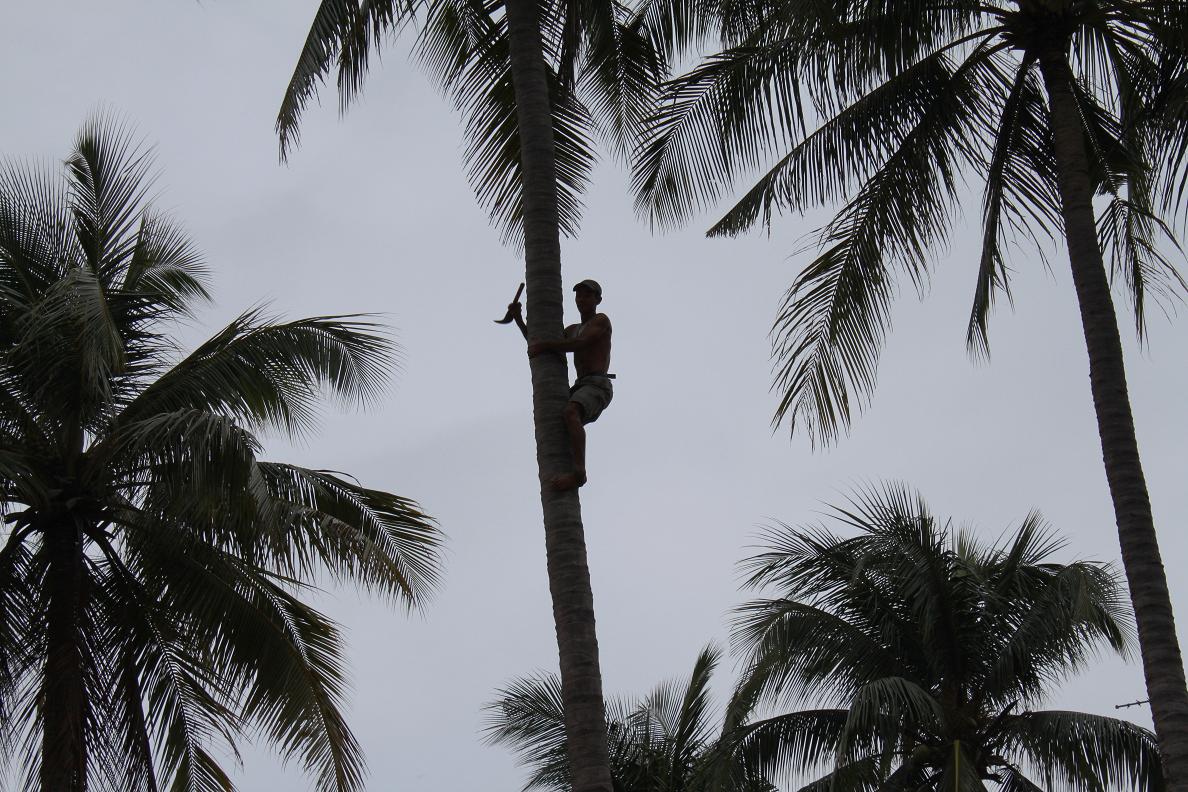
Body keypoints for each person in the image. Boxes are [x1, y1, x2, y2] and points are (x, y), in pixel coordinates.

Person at [509, 279, 613, 490]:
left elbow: (578, 344)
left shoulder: (601, 321)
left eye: (587, 295)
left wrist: (545, 345)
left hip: (597, 385)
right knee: (562, 422)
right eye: (579, 295)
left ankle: (579, 473)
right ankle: (567, 468)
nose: (582, 299)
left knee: (571, 412)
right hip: (580, 386)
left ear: (598, 300)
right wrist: (519, 319)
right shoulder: (572, 329)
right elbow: (537, 341)